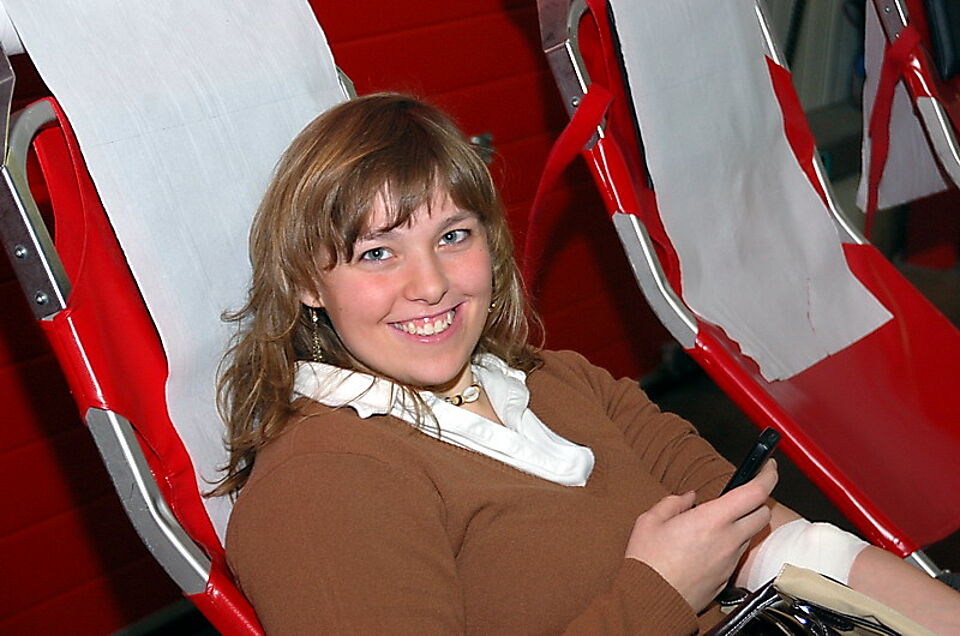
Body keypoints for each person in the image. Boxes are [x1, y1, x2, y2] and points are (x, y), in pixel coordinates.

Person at [216, 93, 960, 634]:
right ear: (307, 283)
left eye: (453, 236)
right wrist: (660, 592)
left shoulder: (559, 380)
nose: (431, 284)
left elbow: (783, 543)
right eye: (378, 253)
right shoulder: (322, 482)